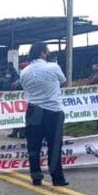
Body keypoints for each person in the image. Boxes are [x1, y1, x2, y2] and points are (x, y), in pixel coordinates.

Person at [20, 42, 68, 187]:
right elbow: (63, 82)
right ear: (42, 52)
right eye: (47, 51)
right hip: (53, 111)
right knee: (54, 146)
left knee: (33, 146)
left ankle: (36, 176)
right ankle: (57, 178)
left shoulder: (25, 71)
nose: (48, 53)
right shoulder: (53, 67)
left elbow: (25, 87)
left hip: (33, 110)